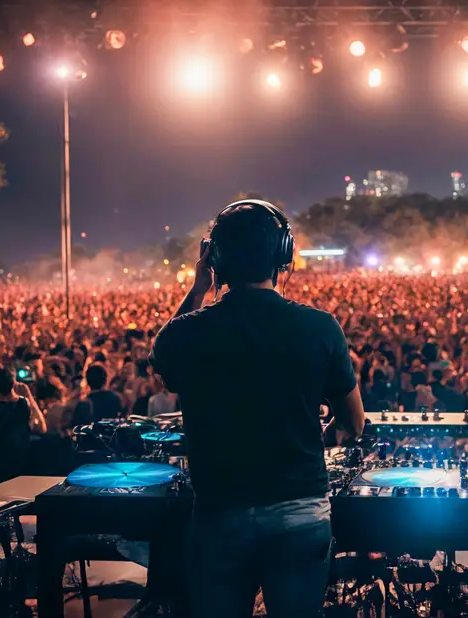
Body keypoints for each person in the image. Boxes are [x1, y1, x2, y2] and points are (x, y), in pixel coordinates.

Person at [150, 200, 365, 618]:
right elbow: (354, 423)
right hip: (299, 510)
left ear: (215, 258)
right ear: (283, 254)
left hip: (219, 513)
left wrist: (197, 290)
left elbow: (165, 356)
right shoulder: (320, 326)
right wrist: (313, 435)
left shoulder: (188, 332)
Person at [0, 367, 48, 484]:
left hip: (3, 466)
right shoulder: (25, 403)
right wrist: (28, 395)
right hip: (24, 461)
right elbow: (42, 428)